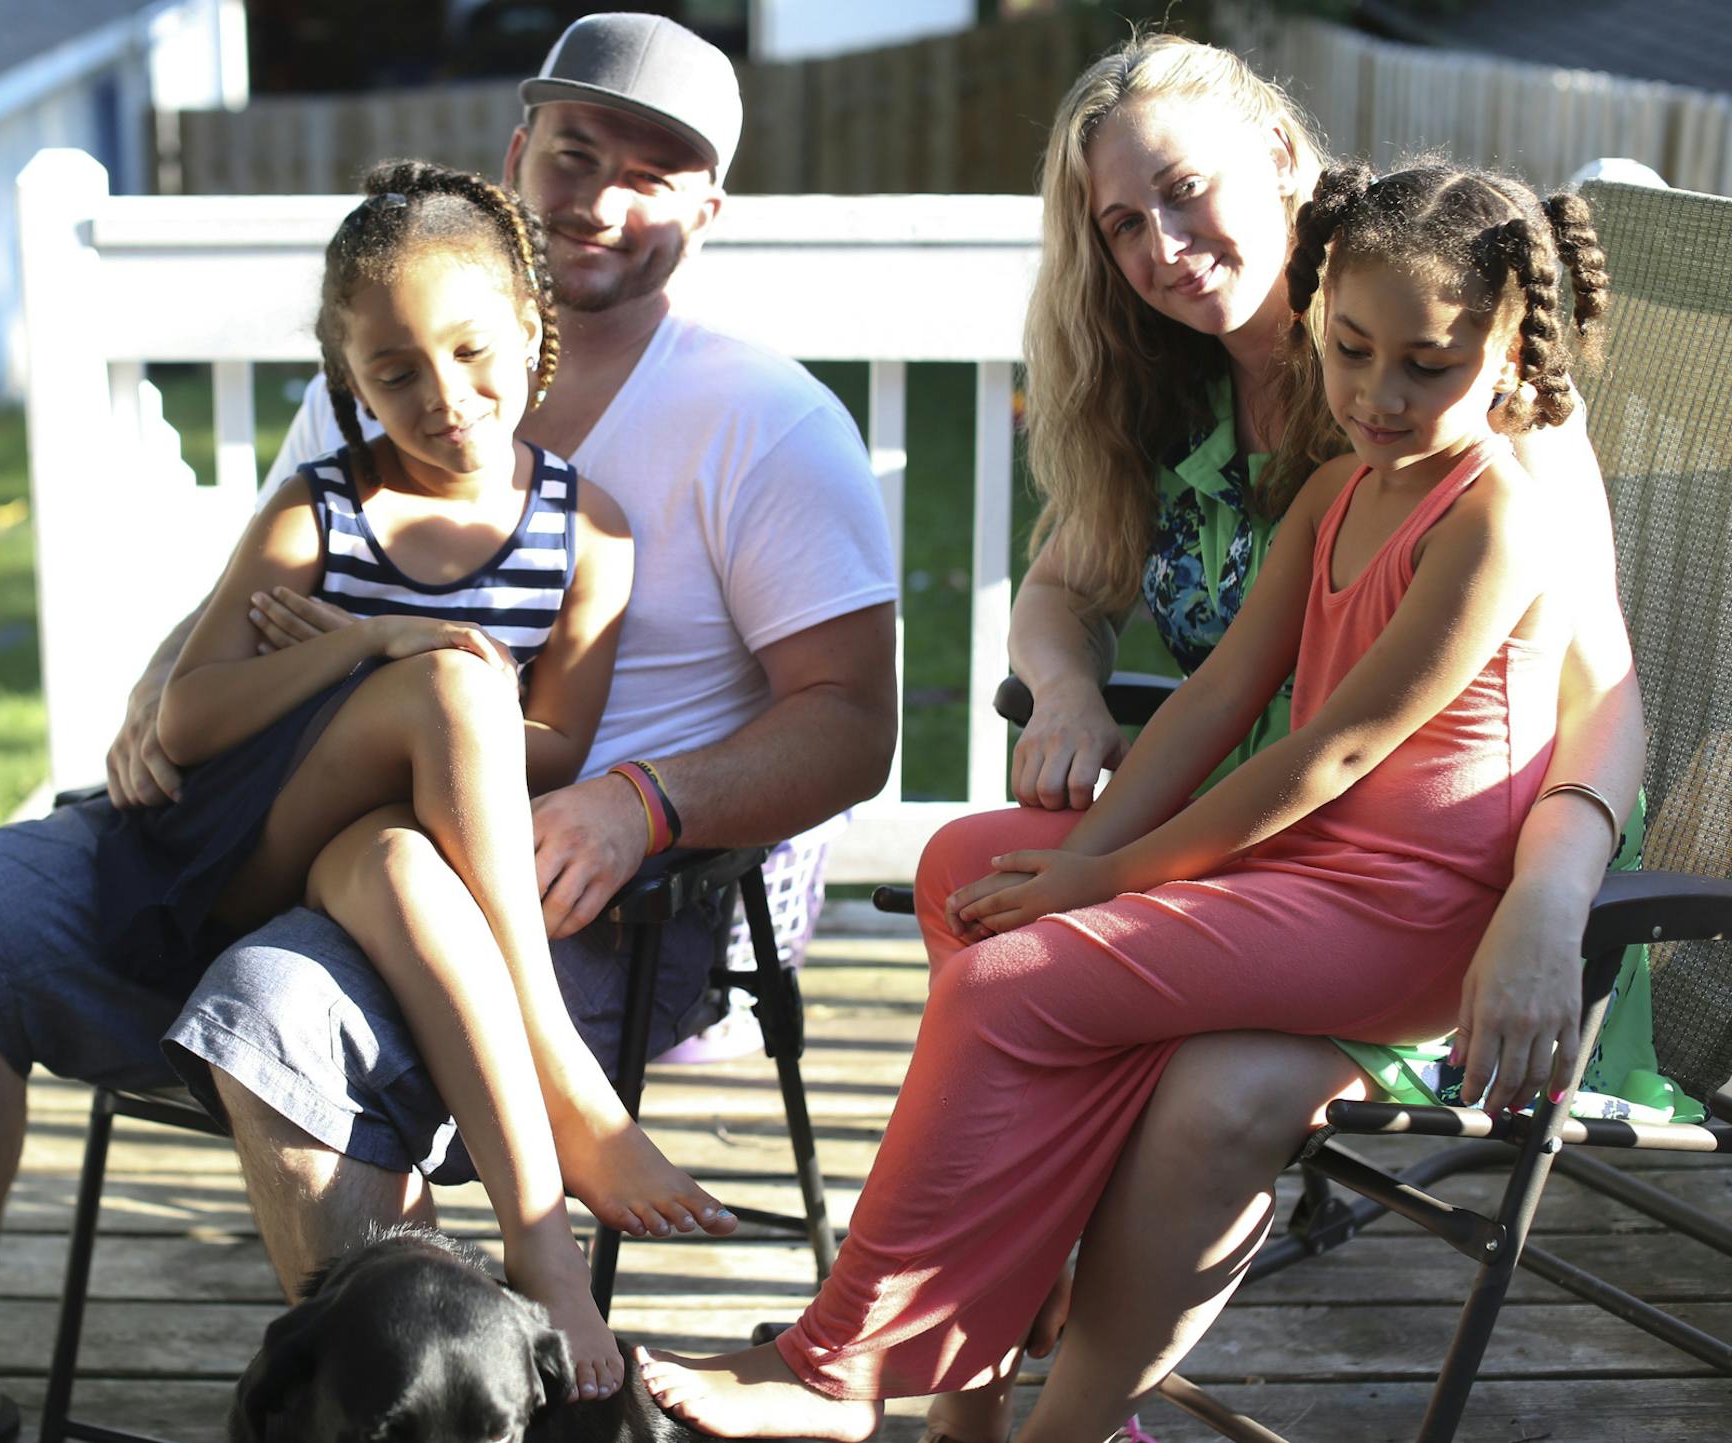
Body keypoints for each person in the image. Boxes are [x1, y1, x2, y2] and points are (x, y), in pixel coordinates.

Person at [0, 14, 896, 1442]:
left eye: (655, 172)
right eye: (577, 153)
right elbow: (261, 599)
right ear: (519, 152)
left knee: (281, 1003)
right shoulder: (387, 362)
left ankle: (407, 1407)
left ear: (710, 207)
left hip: (583, 897)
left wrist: (641, 801)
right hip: (275, 806)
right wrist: (155, 690)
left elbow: (850, 726)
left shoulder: (762, 423)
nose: (603, 198)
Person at [637, 157, 1625, 1438]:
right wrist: (1082, 856)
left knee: (1008, 980)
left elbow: (1331, 755)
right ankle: (980, 1331)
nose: (1379, 395)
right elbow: (1214, 701)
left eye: (1428, 366)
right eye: (1350, 349)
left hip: (1411, 914)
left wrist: (1104, 879)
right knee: (967, 870)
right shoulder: (1337, 491)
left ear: (1511, 356)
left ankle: (841, 1367)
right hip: (1310, 878)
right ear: (1319, 315)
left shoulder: (1493, 518)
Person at [886, 35, 1654, 1443]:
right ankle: (983, 1352)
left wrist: (1549, 906)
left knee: (1180, 1070)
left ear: (1287, 160)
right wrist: (1065, 689)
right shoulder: (1169, 383)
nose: (1164, 248)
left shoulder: (1465, 376)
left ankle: (1039, 1391)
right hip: (1250, 853)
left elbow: (1603, 699)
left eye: (1187, 191)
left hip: (1450, 890)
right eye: (1124, 223)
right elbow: (1060, 591)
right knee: (967, 871)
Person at [94, 156, 749, 1399]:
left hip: (388, 845)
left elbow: (555, 743)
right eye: (394, 372)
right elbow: (190, 716)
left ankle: (538, 1240)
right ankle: (563, 1074)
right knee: (454, 685)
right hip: (241, 849)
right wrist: (374, 647)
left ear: (533, 330)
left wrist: (450, 716)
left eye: (470, 352)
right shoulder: (317, 511)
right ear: (349, 379)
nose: (442, 396)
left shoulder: (588, 531)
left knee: (409, 847)